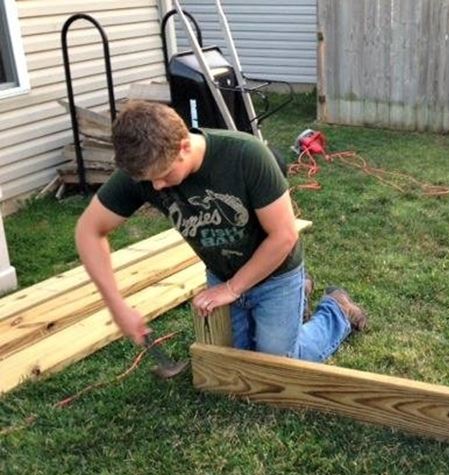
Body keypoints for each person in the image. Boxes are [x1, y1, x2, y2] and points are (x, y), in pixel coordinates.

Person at [76, 100, 367, 361]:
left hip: (276, 272)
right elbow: (88, 230)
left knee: (279, 362)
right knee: (232, 360)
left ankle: (336, 310)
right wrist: (116, 306)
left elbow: (285, 236)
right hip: (222, 274)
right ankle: (297, 298)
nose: (156, 187)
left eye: (164, 176)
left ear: (184, 146)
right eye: (148, 180)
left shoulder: (246, 155)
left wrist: (232, 289)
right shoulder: (146, 169)